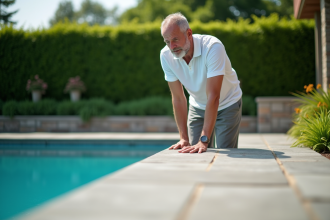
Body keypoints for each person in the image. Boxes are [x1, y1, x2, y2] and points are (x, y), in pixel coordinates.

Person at [160, 12, 242, 154]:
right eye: (167, 42)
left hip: (227, 102)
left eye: (175, 39)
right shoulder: (166, 56)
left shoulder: (212, 47)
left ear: (189, 33)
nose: (172, 46)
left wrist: (204, 140)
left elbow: (214, 96)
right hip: (197, 105)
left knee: (224, 153)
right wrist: (183, 138)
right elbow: (178, 98)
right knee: (192, 150)